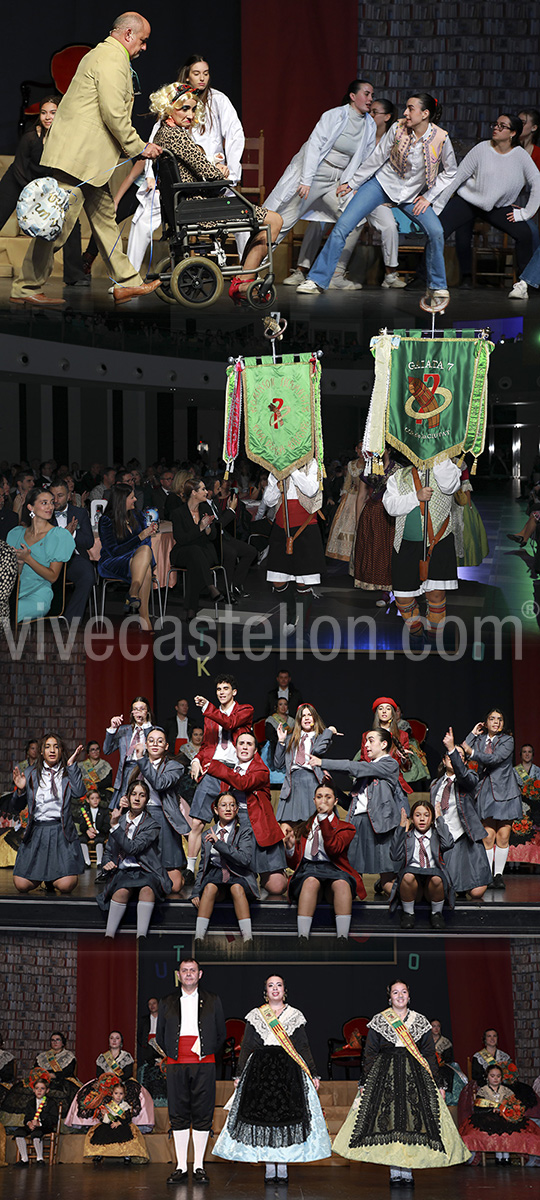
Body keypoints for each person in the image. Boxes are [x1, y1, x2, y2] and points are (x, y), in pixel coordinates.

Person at [10, 13, 163, 307]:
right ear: (128, 34)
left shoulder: (106, 54)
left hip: (89, 160)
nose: (144, 47)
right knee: (58, 224)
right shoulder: (110, 58)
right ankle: (25, 286)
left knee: (105, 221)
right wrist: (138, 146)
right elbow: (113, 112)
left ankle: (127, 282)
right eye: (143, 40)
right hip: (79, 159)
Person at [300, 93, 456, 310]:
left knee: (436, 231)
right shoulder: (397, 128)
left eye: (411, 109)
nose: (405, 113)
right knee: (343, 226)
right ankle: (317, 279)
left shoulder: (441, 138)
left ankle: (437, 285)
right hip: (381, 185)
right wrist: (353, 183)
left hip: (412, 196)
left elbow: (451, 172)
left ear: (425, 113)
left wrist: (429, 197)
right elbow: (377, 158)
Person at [149, 83, 282, 302]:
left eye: (193, 109)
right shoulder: (177, 137)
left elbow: (195, 167)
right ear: (168, 107)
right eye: (184, 109)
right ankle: (244, 282)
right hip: (200, 207)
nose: (190, 115)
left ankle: (244, 277)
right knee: (274, 221)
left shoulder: (163, 134)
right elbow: (208, 173)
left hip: (187, 204)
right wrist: (220, 171)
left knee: (262, 219)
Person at [333, 979, 469, 1185]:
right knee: (390, 1122)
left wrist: (439, 1083)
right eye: (395, 993)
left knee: (411, 1122)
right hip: (385, 1075)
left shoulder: (420, 1020)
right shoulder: (380, 1020)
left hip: (414, 1075)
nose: (400, 995)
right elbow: (369, 1054)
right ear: (389, 997)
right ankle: (394, 1171)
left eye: (403, 992)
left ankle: (408, 1171)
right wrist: (365, 1081)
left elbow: (429, 1054)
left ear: (409, 996)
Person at [125, 53, 247, 270]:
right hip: (180, 182)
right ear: (187, 76)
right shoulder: (175, 104)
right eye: (197, 73)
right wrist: (152, 177)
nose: (202, 78)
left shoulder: (218, 101)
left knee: (242, 217)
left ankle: (247, 275)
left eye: (206, 73)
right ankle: (128, 276)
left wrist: (230, 172)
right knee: (143, 217)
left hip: (210, 179)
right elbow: (155, 146)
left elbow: (235, 135)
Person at [214, 973, 331, 1181]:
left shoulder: (295, 1014)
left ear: (285, 990)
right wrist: (240, 1074)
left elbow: (303, 1046)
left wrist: (313, 1073)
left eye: (279, 985)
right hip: (261, 1071)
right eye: (271, 985)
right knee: (265, 1121)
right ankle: (269, 1167)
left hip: (289, 1072)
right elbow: (248, 1045)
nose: (275, 988)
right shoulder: (257, 1015)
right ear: (265, 991)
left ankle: (283, 1167)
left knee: (285, 1121)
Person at [269, 80, 376, 290]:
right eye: (366, 94)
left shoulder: (369, 125)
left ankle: (334, 273)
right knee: (283, 220)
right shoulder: (334, 115)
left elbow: (366, 159)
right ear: (353, 96)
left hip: (337, 182)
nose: (370, 99)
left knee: (354, 221)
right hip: (316, 174)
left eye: (372, 95)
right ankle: (252, 268)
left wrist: (351, 184)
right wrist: (306, 181)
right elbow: (314, 145)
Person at [433, 115, 540, 290]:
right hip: (469, 201)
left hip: (496, 207)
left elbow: (537, 181)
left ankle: (525, 284)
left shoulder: (520, 155)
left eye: (502, 126)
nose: (495, 128)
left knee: (525, 234)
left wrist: (526, 213)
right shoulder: (482, 148)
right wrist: (439, 205)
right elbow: (458, 177)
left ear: (512, 133)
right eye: (495, 124)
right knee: (439, 230)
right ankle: (427, 277)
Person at [0, 96, 87, 288]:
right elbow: (20, 169)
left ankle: (75, 274)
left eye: (53, 113)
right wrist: (34, 198)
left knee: (70, 222)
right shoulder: (30, 137)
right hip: (19, 180)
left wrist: (50, 197)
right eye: (44, 112)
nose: (48, 117)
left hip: (45, 187)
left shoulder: (65, 139)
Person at [156, 958, 226, 1185]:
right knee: (178, 1113)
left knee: (203, 1113)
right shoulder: (166, 1001)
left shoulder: (213, 999)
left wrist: (204, 1049)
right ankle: (180, 1166)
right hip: (176, 1063)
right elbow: (160, 1036)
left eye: (192, 971)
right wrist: (175, 1052)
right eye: (184, 971)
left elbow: (220, 1034)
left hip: (204, 1062)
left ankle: (198, 1166)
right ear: (179, 975)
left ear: (200, 974)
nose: (188, 974)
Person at [312, 728, 403, 895]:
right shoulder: (365, 771)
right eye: (366, 741)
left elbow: (354, 767)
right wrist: (334, 787)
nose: (366, 745)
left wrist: (322, 762)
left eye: (371, 740)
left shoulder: (389, 764)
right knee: (353, 875)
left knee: (387, 879)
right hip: (357, 823)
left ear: (384, 744)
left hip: (380, 826)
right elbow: (350, 804)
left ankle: (407, 909)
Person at [382, 457, 462, 639]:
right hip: (405, 544)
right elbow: (390, 506)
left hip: (438, 542)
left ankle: (434, 637)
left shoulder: (446, 468)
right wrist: (415, 497)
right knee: (403, 598)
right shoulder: (398, 476)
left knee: (435, 595)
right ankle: (416, 632)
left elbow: (449, 486)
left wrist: (439, 454)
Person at [185, 676, 254, 880]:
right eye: (218, 689)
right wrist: (196, 760)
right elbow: (207, 746)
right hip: (213, 771)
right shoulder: (209, 717)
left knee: (242, 822)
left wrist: (208, 706)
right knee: (197, 822)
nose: (221, 692)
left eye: (226, 688)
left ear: (234, 692)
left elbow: (230, 722)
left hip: (235, 773)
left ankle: (241, 866)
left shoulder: (244, 710)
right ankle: (190, 869)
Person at [205, 731, 288, 895]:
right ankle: (245, 880)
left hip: (258, 825)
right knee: (234, 884)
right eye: (241, 743)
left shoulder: (261, 770)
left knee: (277, 887)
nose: (244, 747)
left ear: (255, 750)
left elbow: (243, 783)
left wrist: (215, 766)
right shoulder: (229, 772)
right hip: (235, 824)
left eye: (249, 744)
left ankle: (286, 878)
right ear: (235, 748)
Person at [285, 782, 366, 940]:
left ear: (335, 801)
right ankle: (302, 937)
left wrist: (323, 820)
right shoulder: (303, 828)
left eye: (328, 797)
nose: (323, 801)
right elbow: (295, 863)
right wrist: (289, 849)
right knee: (310, 882)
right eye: (319, 797)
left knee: (342, 884)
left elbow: (333, 849)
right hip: (308, 871)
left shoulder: (346, 828)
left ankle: (342, 938)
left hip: (334, 870)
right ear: (314, 800)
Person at [97, 780, 172, 938]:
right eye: (134, 794)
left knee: (147, 890)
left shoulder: (152, 825)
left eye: (142, 795)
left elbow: (133, 848)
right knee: (121, 891)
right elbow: (109, 851)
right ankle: (109, 936)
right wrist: (106, 863)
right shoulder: (121, 820)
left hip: (146, 870)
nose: (137, 798)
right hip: (124, 870)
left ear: (147, 800)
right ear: (128, 798)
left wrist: (115, 826)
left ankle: (142, 936)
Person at [11, 734, 85, 893]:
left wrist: (71, 765)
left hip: (60, 831)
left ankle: (52, 879)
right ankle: (46, 877)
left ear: (61, 750)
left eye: (56, 746)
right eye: (47, 747)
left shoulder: (67, 772)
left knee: (66, 886)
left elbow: (79, 792)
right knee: (21, 885)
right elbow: (16, 807)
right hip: (37, 831)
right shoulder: (30, 772)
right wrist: (21, 790)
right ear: (41, 752)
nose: (52, 750)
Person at [262, 460, 325, 637]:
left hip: (305, 528)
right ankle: (292, 610)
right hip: (282, 528)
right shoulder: (276, 466)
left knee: (303, 582)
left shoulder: (311, 464)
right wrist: (276, 477)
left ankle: (299, 625)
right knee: (278, 581)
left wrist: (293, 471)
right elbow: (268, 500)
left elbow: (311, 489)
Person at [463, 710, 522, 889]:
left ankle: (498, 875)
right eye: (492, 719)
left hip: (506, 791)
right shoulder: (479, 740)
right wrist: (473, 733)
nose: (496, 722)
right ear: (486, 722)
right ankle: (487, 874)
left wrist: (472, 752)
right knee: (488, 836)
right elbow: (463, 749)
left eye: (500, 719)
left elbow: (495, 759)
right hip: (485, 790)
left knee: (503, 836)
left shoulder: (507, 740)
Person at [432, 729, 491, 899]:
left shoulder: (469, 777)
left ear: (463, 762)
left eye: (460, 757)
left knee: (477, 891)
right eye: (450, 756)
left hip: (465, 836)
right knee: (446, 889)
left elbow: (464, 777)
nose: (454, 758)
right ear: (444, 760)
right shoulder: (436, 784)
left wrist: (452, 749)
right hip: (445, 837)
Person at [191, 792, 258, 942]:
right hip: (216, 875)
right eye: (223, 805)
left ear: (236, 809)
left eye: (232, 805)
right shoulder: (207, 834)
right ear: (216, 810)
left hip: (239, 875)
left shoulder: (244, 830)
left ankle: (248, 938)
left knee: (236, 888)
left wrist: (219, 844)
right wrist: (195, 891)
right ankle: (198, 937)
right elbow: (203, 866)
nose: (228, 808)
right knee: (209, 888)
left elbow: (244, 860)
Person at [131, 726, 189, 893]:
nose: (155, 744)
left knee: (175, 887)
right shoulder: (137, 766)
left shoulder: (175, 766)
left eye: (160, 741)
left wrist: (142, 760)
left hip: (164, 817)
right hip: (142, 817)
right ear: (146, 744)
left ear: (166, 746)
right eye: (151, 740)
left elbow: (159, 784)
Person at [6, 487, 75, 621]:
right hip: (12, 593)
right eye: (44, 503)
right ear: (31, 507)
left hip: (38, 598)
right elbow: (12, 574)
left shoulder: (58, 536)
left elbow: (53, 576)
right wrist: (20, 564)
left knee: (8, 612)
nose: (50, 506)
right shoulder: (16, 534)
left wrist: (28, 558)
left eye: (51, 502)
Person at [97, 483, 159, 630]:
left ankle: (133, 591)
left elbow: (146, 543)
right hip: (113, 560)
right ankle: (144, 619)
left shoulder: (137, 515)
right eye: (132, 497)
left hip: (138, 557)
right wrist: (139, 537)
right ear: (121, 500)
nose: (136, 499)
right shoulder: (106, 520)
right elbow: (113, 551)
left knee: (144, 551)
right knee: (146, 569)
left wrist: (144, 535)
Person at [65, 1030, 153, 1133]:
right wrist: (105, 1081)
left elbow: (128, 1073)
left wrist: (117, 1080)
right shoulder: (102, 1057)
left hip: (122, 1082)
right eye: (112, 1038)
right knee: (87, 1092)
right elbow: (99, 1074)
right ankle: (88, 1124)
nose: (114, 1040)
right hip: (104, 1082)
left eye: (117, 1038)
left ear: (121, 1042)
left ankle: (130, 1121)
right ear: (108, 1041)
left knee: (136, 1094)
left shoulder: (126, 1056)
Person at [391, 799, 454, 929]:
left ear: (431, 820)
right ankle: (408, 913)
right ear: (412, 819)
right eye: (417, 815)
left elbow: (448, 844)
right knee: (407, 876)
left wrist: (439, 819)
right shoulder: (408, 836)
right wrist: (401, 827)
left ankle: (436, 913)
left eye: (426, 815)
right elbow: (395, 855)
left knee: (437, 878)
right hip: (414, 883)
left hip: (432, 881)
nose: (422, 819)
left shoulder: (437, 836)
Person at [460, 1063, 540, 1162]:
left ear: (502, 1078)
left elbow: (514, 1105)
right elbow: (478, 1108)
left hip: (505, 1116)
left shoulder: (507, 1090)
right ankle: (498, 1155)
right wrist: (491, 1109)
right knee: (494, 1127)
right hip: (487, 1117)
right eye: (492, 1076)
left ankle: (506, 1156)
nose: (495, 1079)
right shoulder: (483, 1091)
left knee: (512, 1128)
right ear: (487, 1077)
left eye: (498, 1076)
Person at [169, 477, 222, 619]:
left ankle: (191, 609)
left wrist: (208, 528)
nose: (206, 492)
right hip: (182, 551)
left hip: (203, 552)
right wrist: (200, 527)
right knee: (194, 552)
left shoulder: (205, 508)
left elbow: (213, 537)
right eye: (203, 489)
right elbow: (181, 539)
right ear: (193, 493)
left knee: (195, 560)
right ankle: (210, 586)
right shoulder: (178, 513)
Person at [275, 703, 336, 822]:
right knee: (291, 825)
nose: (307, 718)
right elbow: (278, 764)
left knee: (313, 822)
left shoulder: (320, 738)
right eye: (303, 716)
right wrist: (281, 741)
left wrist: (329, 731)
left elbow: (319, 749)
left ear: (314, 718)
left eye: (310, 715)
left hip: (312, 780)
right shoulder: (291, 739)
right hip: (293, 783)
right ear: (299, 720)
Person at [352, 449, 396, 604]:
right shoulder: (370, 468)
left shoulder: (398, 469)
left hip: (392, 514)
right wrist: (358, 521)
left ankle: (393, 589)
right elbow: (361, 495)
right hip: (372, 512)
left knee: (389, 551)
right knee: (375, 551)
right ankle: (383, 590)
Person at [50, 479, 95, 621]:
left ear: (69, 496)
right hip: (50, 558)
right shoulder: (45, 513)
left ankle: (70, 619)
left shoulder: (80, 513)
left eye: (60, 495)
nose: (56, 500)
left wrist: (72, 534)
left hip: (73, 558)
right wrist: (63, 534)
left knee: (88, 574)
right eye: (52, 496)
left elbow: (88, 542)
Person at [104, 695, 154, 808]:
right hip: (126, 771)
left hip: (144, 769)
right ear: (132, 712)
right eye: (135, 709)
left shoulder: (155, 731)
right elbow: (107, 750)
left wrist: (145, 724)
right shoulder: (124, 730)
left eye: (142, 709)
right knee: (123, 807)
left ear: (147, 712)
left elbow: (152, 746)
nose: (138, 712)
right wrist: (112, 728)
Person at [83, 1082, 149, 1163]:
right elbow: (104, 1120)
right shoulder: (108, 1105)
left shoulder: (125, 1106)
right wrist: (104, 1115)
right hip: (109, 1124)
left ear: (124, 1095)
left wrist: (119, 1123)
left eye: (121, 1093)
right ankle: (99, 1153)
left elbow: (128, 1118)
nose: (118, 1096)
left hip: (121, 1124)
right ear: (112, 1094)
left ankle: (126, 1155)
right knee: (101, 1133)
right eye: (116, 1093)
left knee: (125, 1135)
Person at [325, 441, 366, 563]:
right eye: (359, 448)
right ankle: (348, 553)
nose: (361, 451)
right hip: (352, 498)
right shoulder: (351, 464)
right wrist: (343, 498)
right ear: (356, 449)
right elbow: (347, 483)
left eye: (364, 448)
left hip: (366, 498)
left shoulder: (372, 464)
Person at [14, 1077, 58, 1168]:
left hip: (44, 1126)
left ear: (47, 1090)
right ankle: (24, 1158)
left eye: (42, 1088)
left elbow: (53, 1119)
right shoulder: (30, 1103)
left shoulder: (51, 1103)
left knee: (36, 1133)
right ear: (33, 1090)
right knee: (19, 1132)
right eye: (37, 1088)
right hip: (32, 1125)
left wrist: (40, 1124)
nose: (39, 1091)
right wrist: (29, 1123)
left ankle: (39, 1158)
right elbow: (27, 1118)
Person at [137, 998, 167, 1106]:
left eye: (154, 1003)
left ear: (158, 1004)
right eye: (149, 1004)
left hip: (161, 1046)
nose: (152, 1006)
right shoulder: (144, 1020)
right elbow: (140, 1036)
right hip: (148, 1047)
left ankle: (162, 1101)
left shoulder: (164, 1019)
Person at [77, 788, 111, 869]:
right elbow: (82, 826)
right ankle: (87, 861)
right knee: (81, 839)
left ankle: (99, 861)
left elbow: (107, 825)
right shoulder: (85, 811)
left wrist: (97, 831)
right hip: (88, 833)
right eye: (92, 798)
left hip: (100, 833)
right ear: (88, 800)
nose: (95, 800)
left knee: (99, 840)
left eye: (97, 798)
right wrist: (87, 831)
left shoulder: (104, 811)